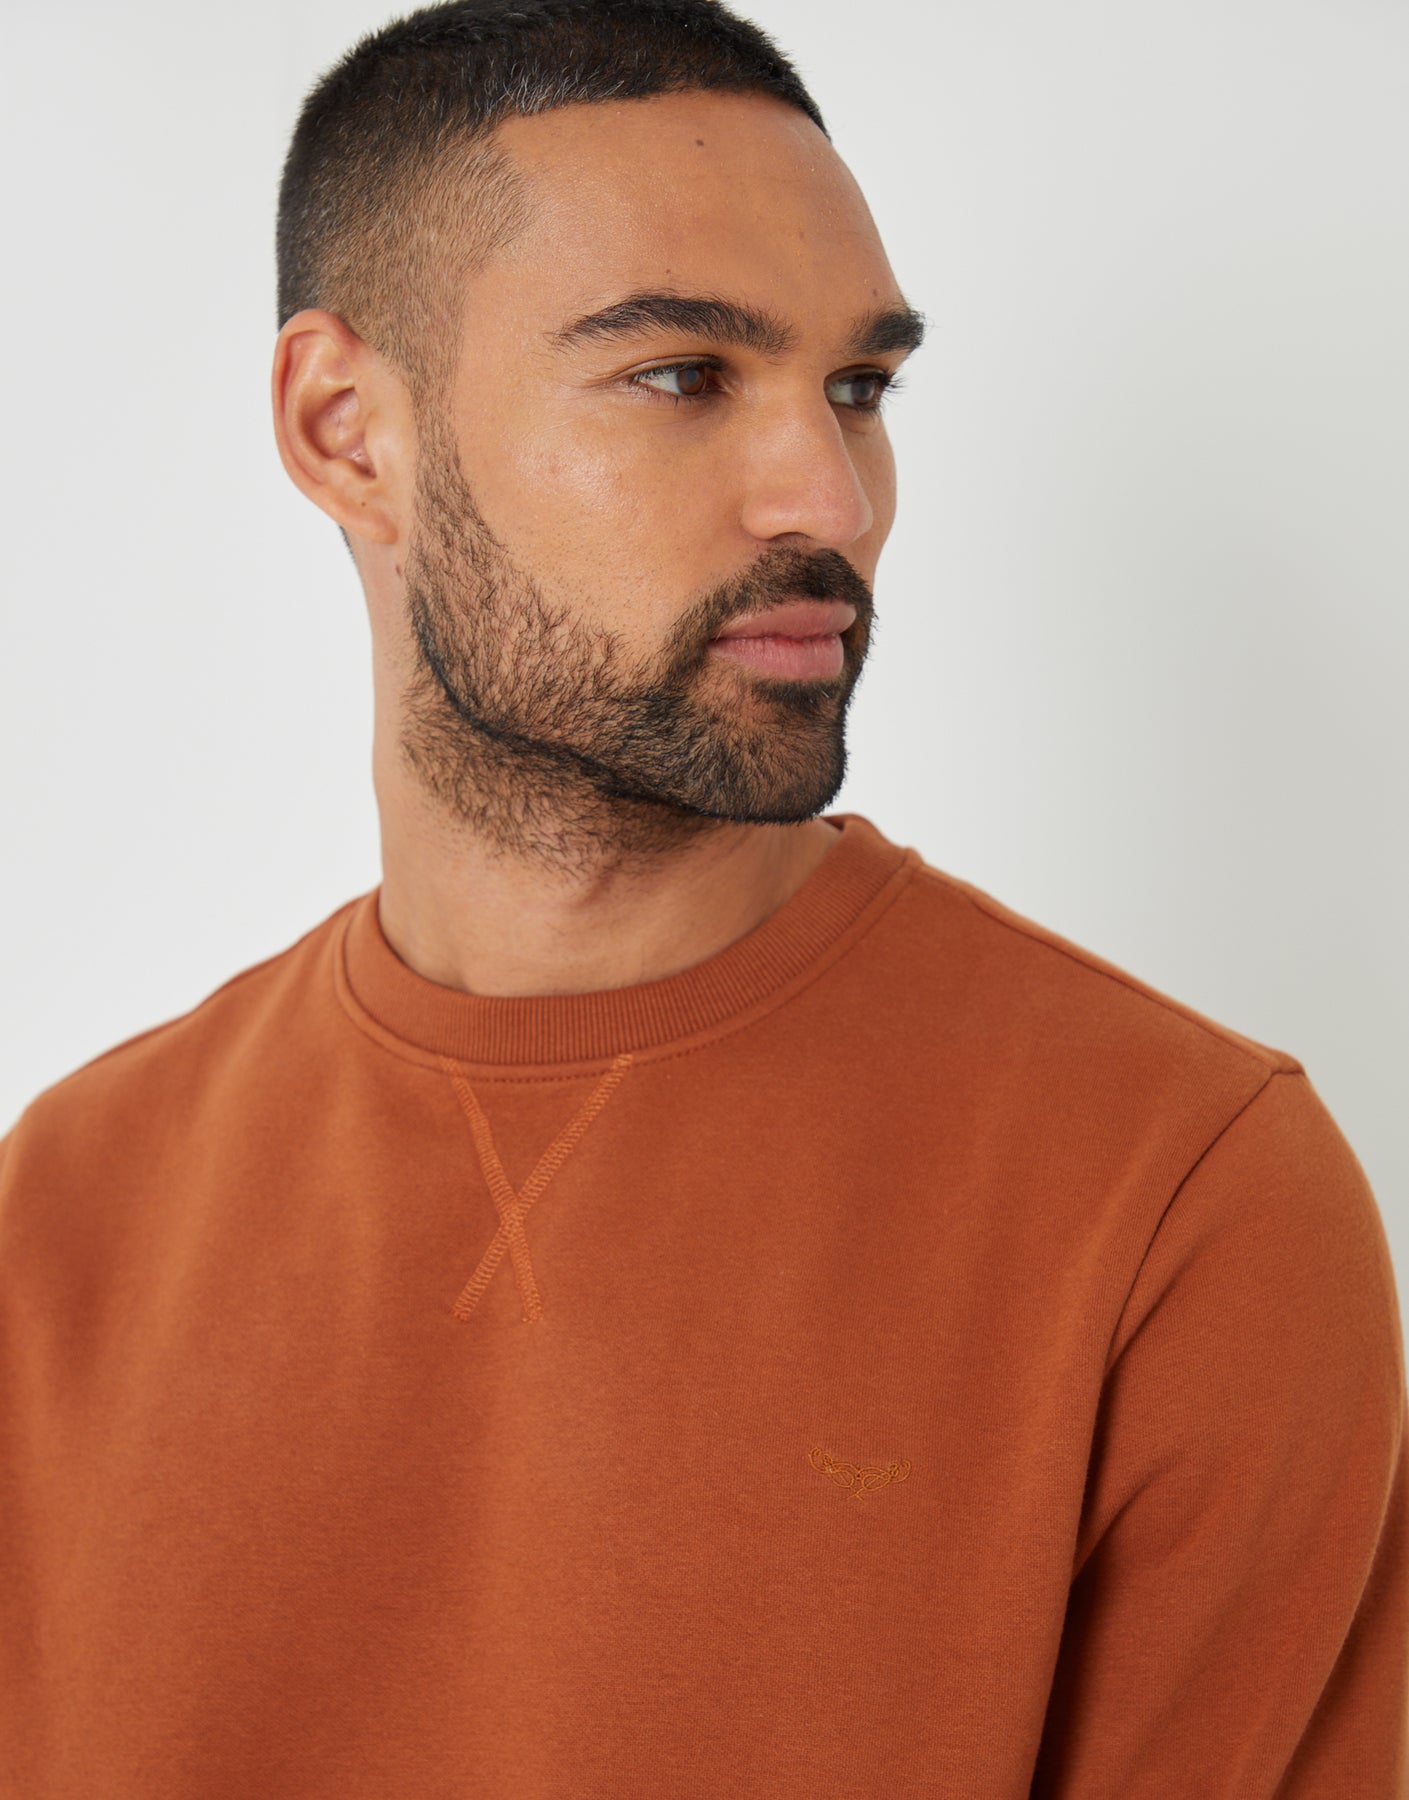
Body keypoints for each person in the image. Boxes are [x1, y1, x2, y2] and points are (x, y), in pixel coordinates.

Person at [2, 0, 1404, 1793]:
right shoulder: (62, 1216)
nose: (828, 499)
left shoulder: (1176, 1199)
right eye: (682, 375)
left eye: (860, 389)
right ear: (347, 432)